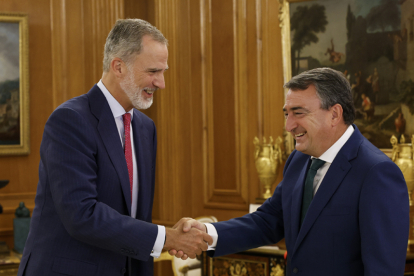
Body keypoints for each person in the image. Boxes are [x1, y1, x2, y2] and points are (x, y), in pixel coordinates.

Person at [17, 19, 211, 276]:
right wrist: (168, 238)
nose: (161, 83)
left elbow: (137, 219)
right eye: (153, 71)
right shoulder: (69, 120)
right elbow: (82, 215)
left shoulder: (145, 128)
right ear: (118, 67)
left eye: (163, 71)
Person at [172, 67, 409, 275]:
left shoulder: (377, 173)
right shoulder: (298, 160)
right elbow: (268, 222)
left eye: (299, 113)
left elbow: (383, 270)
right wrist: (206, 233)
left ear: (335, 114)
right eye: (287, 113)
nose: (288, 126)